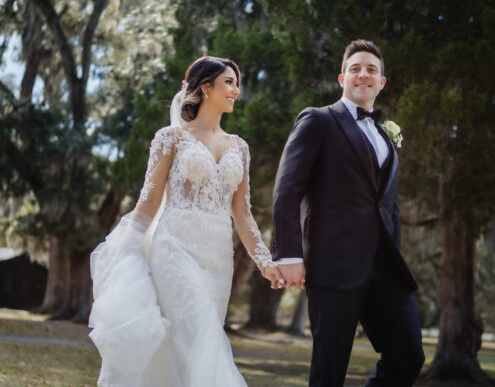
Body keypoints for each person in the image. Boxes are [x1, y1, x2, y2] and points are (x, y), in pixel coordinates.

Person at [89, 56, 283, 387]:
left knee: (184, 347)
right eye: (228, 82)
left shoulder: (240, 147)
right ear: (206, 88)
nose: (236, 90)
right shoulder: (171, 138)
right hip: (174, 248)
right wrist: (125, 246)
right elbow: (149, 200)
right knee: (201, 335)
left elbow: (242, 212)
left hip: (218, 258)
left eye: (237, 83)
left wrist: (265, 262)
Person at [272, 40, 425, 386]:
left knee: (408, 355)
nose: (363, 74)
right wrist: (289, 254)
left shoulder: (386, 135)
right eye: (355, 68)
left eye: (371, 69)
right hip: (333, 264)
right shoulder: (318, 121)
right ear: (342, 78)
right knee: (329, 368)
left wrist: (394, 252)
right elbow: (287, 190)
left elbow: (388, 204)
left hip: (385, 267)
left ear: (381, 82)